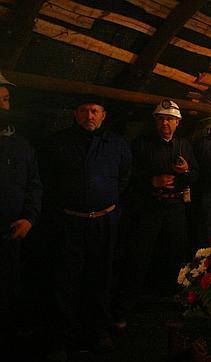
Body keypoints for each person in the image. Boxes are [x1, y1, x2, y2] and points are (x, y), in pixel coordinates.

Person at [43, 97, 131, 355]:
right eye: (83, 111)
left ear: (103, 115)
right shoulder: (58, 143)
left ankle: (98, 330)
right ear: (75, 114)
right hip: (70, 221)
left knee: (102, 277)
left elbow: (124, 176)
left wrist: (106, 203)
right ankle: (65, 334)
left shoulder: (117, 144)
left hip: (104, 221)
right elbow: (48, 180)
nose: (89, 116)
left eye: (94, 111)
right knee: (66, 278)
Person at [114, 100, 198, 327]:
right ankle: (124, 309)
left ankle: (180, 304)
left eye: (170, 119)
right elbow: (127, 175)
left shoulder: (184, 145)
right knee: (137, 258)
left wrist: (186, 171)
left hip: (175, 210)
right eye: (161, 118)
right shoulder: (141, 144)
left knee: (177, 256)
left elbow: (196, 177)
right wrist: (152, 180)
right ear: (155, 121)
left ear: (178, 122)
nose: (165, 123)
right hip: (149, 209)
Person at [0, 72, 42, 355]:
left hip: (11, 231)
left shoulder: (19, 142)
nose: (5, 105)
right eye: (0, 99)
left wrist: (30, 217)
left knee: (9, 289)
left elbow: (34, 183)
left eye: (5, 99)